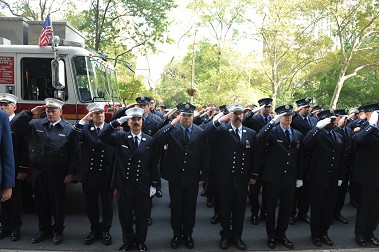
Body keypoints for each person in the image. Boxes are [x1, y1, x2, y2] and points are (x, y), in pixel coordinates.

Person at [11, 98, 78, 245]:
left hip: (58, 172)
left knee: (57, 203)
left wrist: (71, 172)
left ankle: (58, 230)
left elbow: (73, 153)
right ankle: (44, 229)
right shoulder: (35, 124)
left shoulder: (68, 128)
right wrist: (29, 113)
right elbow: (14, 125)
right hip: (39, 170)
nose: (50, 113)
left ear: (61, 111)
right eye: (48, 110)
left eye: (53, 111)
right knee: (40, 202)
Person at [99, 107, 159, 252]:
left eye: (138, 119)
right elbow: (102, 135)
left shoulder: (150, 140)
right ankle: (127, 241)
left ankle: (140, 241)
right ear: (128, 122)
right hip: (124, 185)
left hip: (142, 185)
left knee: (142, 217)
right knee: (125, 217)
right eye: (132, 119)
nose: (136, 122)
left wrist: (154, 184)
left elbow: (153, 164)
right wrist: (117, 121)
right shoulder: (120, 137)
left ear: (142, 122)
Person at [205, 103, 259, 251]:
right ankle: (225, 236)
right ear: (230, 115)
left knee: (239, 210)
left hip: (242, 179)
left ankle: (237, 236)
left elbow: (255, 156)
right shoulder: (221, 130)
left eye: (240, 113)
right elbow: (205, 134)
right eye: (235, 113)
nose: (238, 116)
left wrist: (254, 174)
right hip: (224, 178)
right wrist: (219, 120)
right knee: (224, 209)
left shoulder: (250, 133)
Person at [154, 102, 208, 249]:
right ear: (179, 116)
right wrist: (172, 123)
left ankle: (188, 234)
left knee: (190, 207)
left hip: (193, 176)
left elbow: (204, 155)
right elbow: (157, 139)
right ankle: (177, 234)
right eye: (184, 115)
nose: (187, 118)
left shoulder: (200, 132)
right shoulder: (172, 130)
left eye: (189, 115)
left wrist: (203, 175)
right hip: (175, 176)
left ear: (193, 116)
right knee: (176, 207)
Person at [257, 105, 305, 249]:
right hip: (273, 178)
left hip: (289, 178)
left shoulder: (297, 134)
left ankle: (281, 234)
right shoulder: (272, 132)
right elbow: (259, 138)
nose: (288, 118)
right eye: (284, 115)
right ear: (279, 117)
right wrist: (271, 122)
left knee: (286, 208)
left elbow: (300, 158)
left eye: (290, 115)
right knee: (270, 209)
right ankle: (271, 235)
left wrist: (299, 177)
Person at [72, 103, 114, 245]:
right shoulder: (84, 128)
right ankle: (94, 229)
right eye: (96, 113)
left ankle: (105, 230)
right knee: (91, 205)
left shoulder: (111, 128)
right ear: (91, 116)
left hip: (106, 174)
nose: (100, 115)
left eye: (102, 113)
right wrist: (83, 120)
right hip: (89, 174)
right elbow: (73, 138)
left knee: (108, 205)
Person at [303, 109, 344, 247]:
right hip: (317, 178)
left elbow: (341, 158)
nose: (333, 122)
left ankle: (324, 233)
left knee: (328, 208)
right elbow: (306, 143)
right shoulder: (317, 135)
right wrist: (317, 127)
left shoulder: (338, 136)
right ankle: (315, 235)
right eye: (330, 120)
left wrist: (341, 176)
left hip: (332, 178)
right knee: (317, 208)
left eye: (334, 120)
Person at [0, 94, 28, 241]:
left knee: (15, 200)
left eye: (7, 106)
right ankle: (5, 226)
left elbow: (25, 148)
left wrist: (23, 169)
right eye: (2, 106)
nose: (3, 108)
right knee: (2, 201)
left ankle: (16, 228)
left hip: (15, 167)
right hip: (2, 167)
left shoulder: (21, 123)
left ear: (15, 107)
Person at [351, 104, 379, 247]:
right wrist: (372, 125)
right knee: (365, 207)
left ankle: (370, 233)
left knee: (375, 209)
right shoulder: (363, 127)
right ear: (368, 115)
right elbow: (358, 140)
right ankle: (360, 234)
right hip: (368, 176)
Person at [243, 98, 272, 225]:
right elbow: (244, 121)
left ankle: (264, 212)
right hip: (257, 158)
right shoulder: (254, 119)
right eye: (265, 107)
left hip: (270, 159)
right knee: (254, 190)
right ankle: (254, 212)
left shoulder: (273, 120)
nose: (267, 109)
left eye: (269, 107)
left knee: (268, 190)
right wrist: (254, 111)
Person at [289, 98, 318, 225]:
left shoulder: (314, 119)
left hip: (311, 159)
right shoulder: (294, 119)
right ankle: (291, 214)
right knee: (294, 189)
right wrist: (295, 112)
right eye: (305, 107)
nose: (308, 109)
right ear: (299, 107)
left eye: (309, 106)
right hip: (297, 156)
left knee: (307, 189)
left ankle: (303, 212)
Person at [333, 109, 353, 224]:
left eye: (346, 118)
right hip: (335, 166)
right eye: (342, 118)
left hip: (345, 166)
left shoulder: (349, 131)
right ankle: (329, 213)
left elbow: (351, 149)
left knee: (341, 193)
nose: (345, 120)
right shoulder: (333, 130)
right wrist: (338, 127)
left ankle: (337, 212)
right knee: (333, 193)